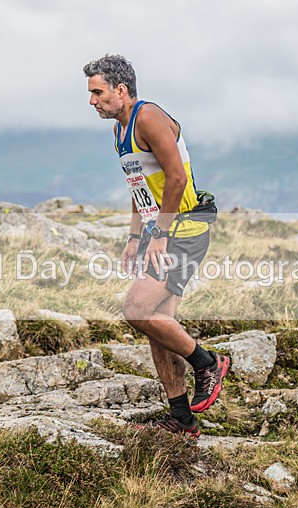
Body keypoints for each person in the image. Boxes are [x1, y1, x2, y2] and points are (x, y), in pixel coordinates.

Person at [83, 54, 230, 437]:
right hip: (161, 230)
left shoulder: (147, 117)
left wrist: (159, 234)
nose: (92, 101)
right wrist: (136, 237)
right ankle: (182, 419)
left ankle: (208, 363)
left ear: (121, 89)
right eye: (90, 94)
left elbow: (178, 179)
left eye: (97, 92)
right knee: (159, 324)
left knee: (137, 309)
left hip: (185, 228)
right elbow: (140, 186)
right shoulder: (119, 130)